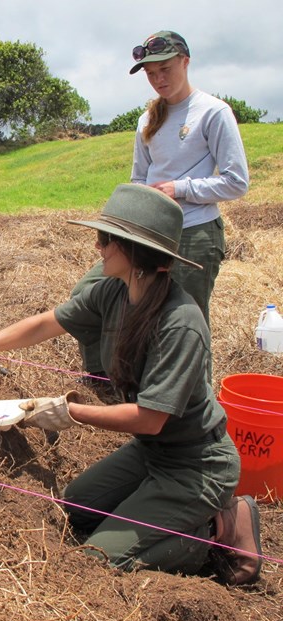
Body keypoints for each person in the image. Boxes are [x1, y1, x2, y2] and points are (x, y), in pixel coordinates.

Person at [0, 183, 261, 585]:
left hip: (196, 464)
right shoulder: (113, 292)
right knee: (73, 508)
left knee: (98, 559)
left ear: (135, 250)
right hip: (151, 454)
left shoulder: (181, 322)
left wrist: (68, 412)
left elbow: (150, 418)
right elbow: (48, 322)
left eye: (108, 238)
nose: (98, 245)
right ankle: (151, 511)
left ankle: (215, 531)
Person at [73, 30, 249, 384]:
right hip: (146, 234)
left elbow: (236, 181)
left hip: (194, 233)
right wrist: (124, 224)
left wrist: (179, 189)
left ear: (186, 61)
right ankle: (104, 378)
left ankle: (192, 410)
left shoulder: (212, 113)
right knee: (89, 294)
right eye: (151, 74)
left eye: (165, 69)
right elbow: (139, 179)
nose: (158, 79)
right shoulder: (146, 121)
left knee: (184, 321)